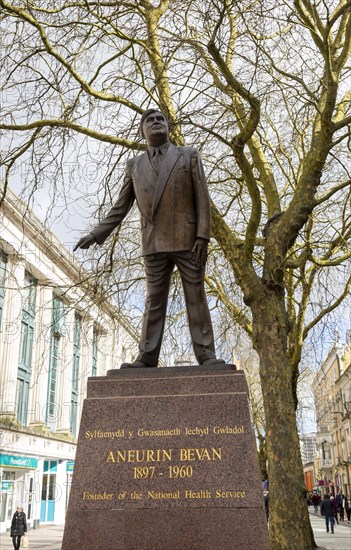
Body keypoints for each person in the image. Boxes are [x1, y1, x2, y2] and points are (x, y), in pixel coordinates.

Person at [74, 108, 224, 369]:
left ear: (168, 127)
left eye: (161, 119)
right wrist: (96, 235)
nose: (156, 122)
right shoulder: (134, 165)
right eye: (150, 120)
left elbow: (203, 198)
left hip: (188, 239)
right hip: (153, 242)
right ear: (142, 131)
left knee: (195, 297)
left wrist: (203, 235)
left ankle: (206, 354)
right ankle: (147, 356)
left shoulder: (188, 155)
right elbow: (120, 207)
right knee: (154, 300)